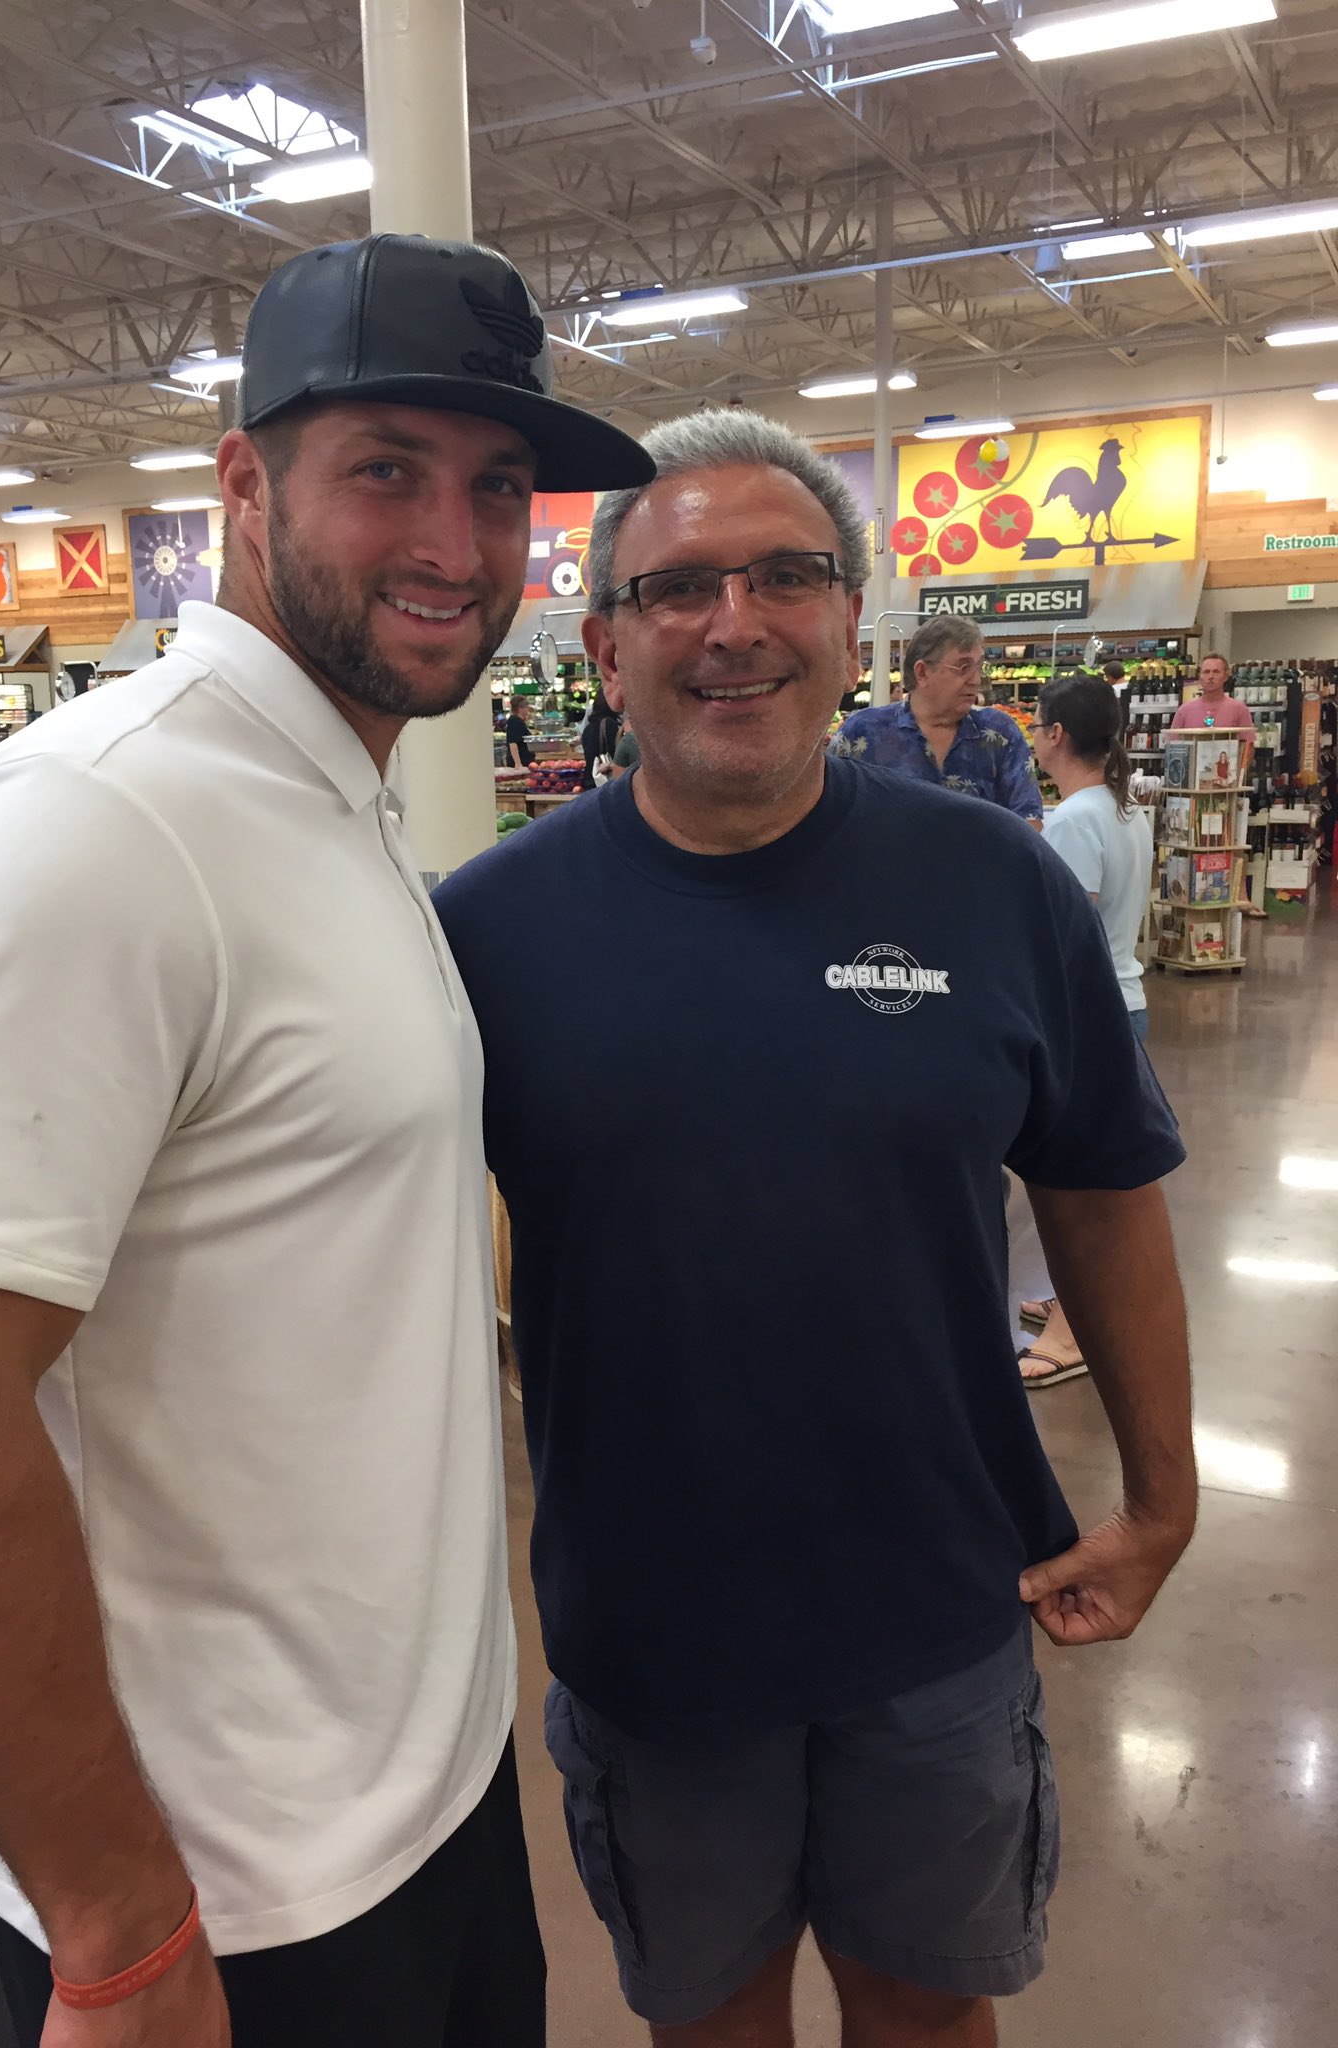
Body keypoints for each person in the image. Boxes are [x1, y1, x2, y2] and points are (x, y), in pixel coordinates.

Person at [0, 232, 652, 2048]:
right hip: (226, 1905)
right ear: (242, 485)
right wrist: (118, 1924)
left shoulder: (332, 805)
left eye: (498, 488)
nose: (453, 540)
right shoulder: (89, 830)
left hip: (419, 1813)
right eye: (385, 471)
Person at [434, 408, 1194, 2048]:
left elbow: (1103, 1192)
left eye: (788, 575)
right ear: (604, 644)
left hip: (940, 1603)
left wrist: (1161, 1491)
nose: (736, 622)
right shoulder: (482, 934)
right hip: (652, 1631)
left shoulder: (997, 887)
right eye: (680, 586)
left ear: (854, 625)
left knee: (928, 2015)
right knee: (709, 2022)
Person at [1011, 672, 1157, 1390]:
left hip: (1084, 1012)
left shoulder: (1074, 819)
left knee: (1082, 1186)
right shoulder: (1126, 809)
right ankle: (1062, 1302)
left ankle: (1074, 1330)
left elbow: (1061, 931)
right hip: (1127, 998)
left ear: (1056, 735)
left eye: (1037, 726)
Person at [830, 615, 1043, 824]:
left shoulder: (999, 733)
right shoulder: (863, 731)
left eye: (979, 667)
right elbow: (827, 808)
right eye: (964, 667)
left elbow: (1029, 819)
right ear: (922, 672)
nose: (976, 680)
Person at [1169, 651, 1252, 731]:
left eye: (1216, 672)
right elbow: (1172, 743)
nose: (1210, 676)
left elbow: (1248, 743)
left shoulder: (1239, 709)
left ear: (1226, 676)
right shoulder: (1184, 711)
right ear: (1199, 677)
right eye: (1206, 672)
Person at [579, 682, 621, 789]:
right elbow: (616, 755)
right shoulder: (609, 724)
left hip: (590, 780)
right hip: (604, 780)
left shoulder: (588, 728)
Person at [504, 694, 536, 768]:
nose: (528, 709)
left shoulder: (519, 721)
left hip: (525, 762)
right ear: (520, 708)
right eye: (527, 707)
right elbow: (513, 742)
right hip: (520, 764)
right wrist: (518, 763)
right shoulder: (514, 721)